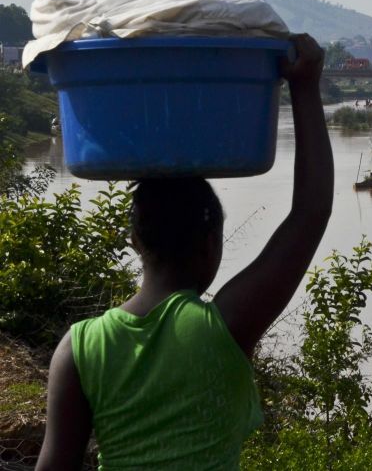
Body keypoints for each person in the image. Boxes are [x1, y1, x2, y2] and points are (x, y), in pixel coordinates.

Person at [36, 34, 334, 470]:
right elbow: (311, 212)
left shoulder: (79, 349)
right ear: (211, 243)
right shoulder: (225, 328)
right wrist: (305, 86)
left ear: (134, 239)